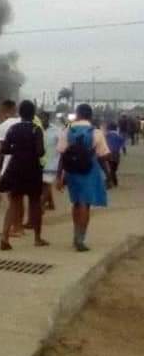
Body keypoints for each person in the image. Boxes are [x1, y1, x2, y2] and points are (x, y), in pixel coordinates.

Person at [56, 103, 110, 252]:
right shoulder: (96, 132)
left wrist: (59, 176)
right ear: (90, 116)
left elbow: (61, 154)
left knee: (76, 202)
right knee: (85, 204)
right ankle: (81, 238)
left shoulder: (67, 130)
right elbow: (104, 155)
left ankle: (75, 234)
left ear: (78, 114)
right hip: (89, 171)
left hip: (71, 171)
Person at [0, 100, 46, 251]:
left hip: (15, 168)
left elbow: (4, 150)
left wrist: (17, 151)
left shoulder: (13, 128)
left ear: (20, 113)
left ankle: (5, 237)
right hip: (32, 169)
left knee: (14, 203)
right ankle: (37, 238)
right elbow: (40, 152)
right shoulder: (36, 129)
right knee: (35, 203)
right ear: (33, 114)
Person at [39, 111, 61, 211]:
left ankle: (40, 206)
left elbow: (62, 145)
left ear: (48, 119)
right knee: (43, 183)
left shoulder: (56, 130)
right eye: (40, 118)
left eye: (44, 118)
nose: (42, 120)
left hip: (53, 161)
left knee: (47, 183)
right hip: (40, 161)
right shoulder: (36, 129)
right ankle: (51, 204)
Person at [104, 121, 126, 188]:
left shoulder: (106, 135)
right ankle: (113, 181)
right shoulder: (119, 136)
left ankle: (110, 182)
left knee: (110, 168)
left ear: (108, 128)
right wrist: (124, 150)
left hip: (108, 154)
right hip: (116, 155)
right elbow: (123, 144)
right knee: (113, 168)